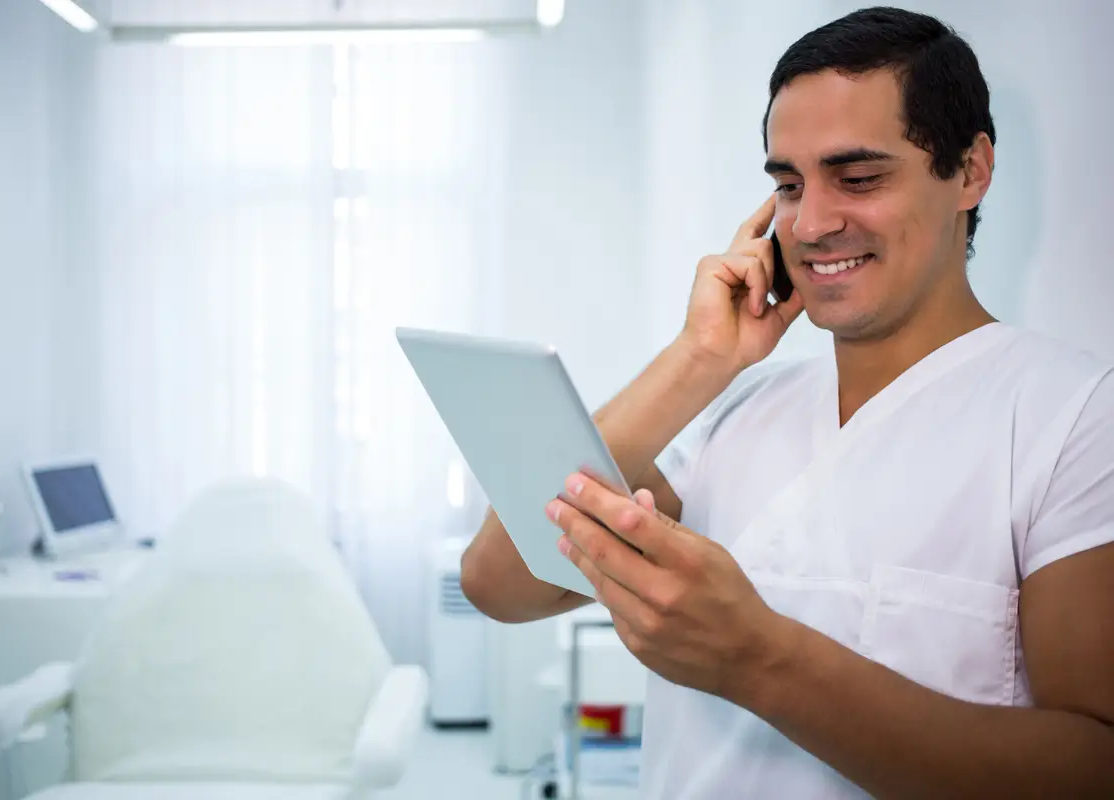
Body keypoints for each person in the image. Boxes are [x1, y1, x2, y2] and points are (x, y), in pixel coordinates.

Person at [460, 6, 1114, 798]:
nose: (810, 223)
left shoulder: (1074, 417)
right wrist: (700, 357)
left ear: (970, 172)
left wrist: (757, 659)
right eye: (788, 185)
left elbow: (1092, 764)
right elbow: (500, 581)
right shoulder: (736, 417)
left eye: (859, 178)